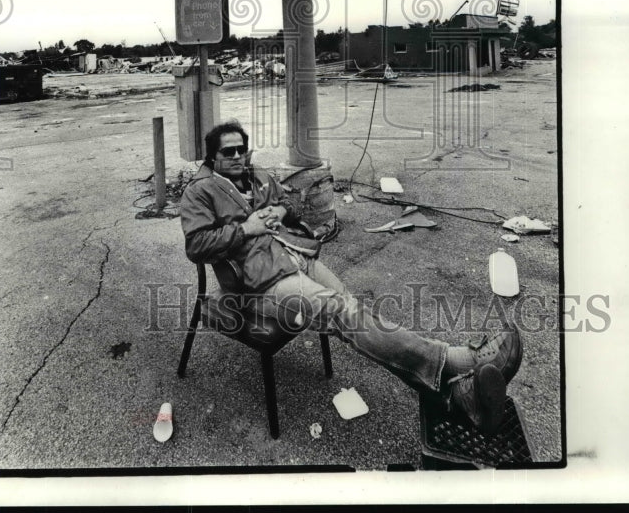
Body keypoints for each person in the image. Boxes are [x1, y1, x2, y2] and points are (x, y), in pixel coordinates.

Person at [180, 121, 523, 437]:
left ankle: (455, 396)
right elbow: (196, 246)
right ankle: (457, 361)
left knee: (355, 315)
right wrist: (246, 228)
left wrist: (282, 211)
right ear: (213, 156)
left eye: (243, 149)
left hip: (294, 256)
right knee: (345, 314)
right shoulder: (201, 190)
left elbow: (289, 203)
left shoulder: (257, 175)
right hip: (258, 285)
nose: (238, 156)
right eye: (229, 152)